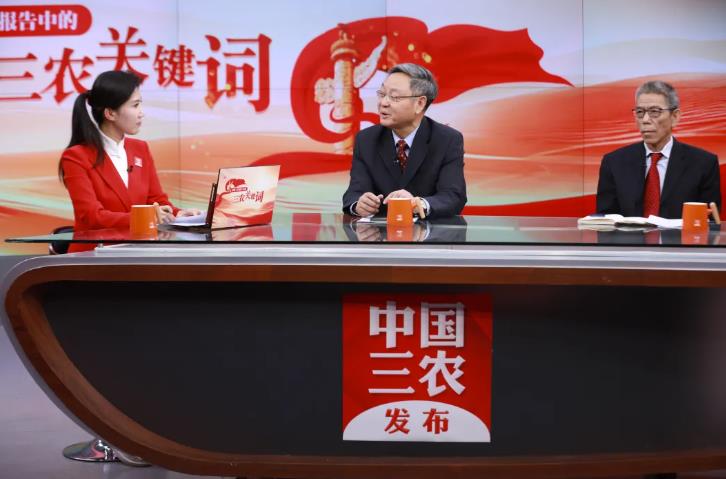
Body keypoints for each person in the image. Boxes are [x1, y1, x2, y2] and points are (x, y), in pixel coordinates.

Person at [59, 70, 198, 251]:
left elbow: (156, 200)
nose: (141, 113)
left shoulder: (140, 149)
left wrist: (179, 215)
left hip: (138, 251)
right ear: (110, 113)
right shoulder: (76, 157)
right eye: (135, 105)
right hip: (93, 256)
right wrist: (148, 217)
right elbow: (92, 216)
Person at [342, 63, 467, 219]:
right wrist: (359, 204)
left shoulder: (447, 140)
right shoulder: (366, 140)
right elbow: (353, 194)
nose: (383, 103)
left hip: (428, 232)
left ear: (420, 103)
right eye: (382, 94)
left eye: (394, 97)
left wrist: (419, 204)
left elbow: (453, 196)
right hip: (380, 232)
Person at [596, 80, 721, 218]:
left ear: (675, 117)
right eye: (640, 112)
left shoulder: (703, 164)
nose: (645, 120)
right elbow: (605, 220)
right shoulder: (614, 162)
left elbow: (709, 221)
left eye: (654, 112)